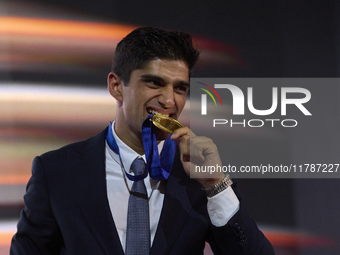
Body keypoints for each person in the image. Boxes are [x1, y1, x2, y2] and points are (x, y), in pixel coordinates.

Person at [10, 27, 275, 254]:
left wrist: (216, 185)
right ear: (116, 86)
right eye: (154, 83)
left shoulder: (198, 174)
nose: (169, 101)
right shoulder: (57, 171)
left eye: (180, 88)